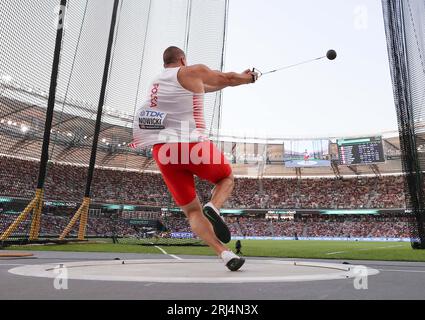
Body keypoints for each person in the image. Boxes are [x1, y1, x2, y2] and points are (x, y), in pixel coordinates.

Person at [133, 46, 258, 271]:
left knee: (192, 211)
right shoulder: (192, 71)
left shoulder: (156, 83)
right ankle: (215, 206)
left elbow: (212, 86)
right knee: (226, 178)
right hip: (190, 145)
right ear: (182, 59)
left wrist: (236, 79)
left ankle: (225, 254)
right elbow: (227, 78)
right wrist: (248, 78)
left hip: (163, 152)